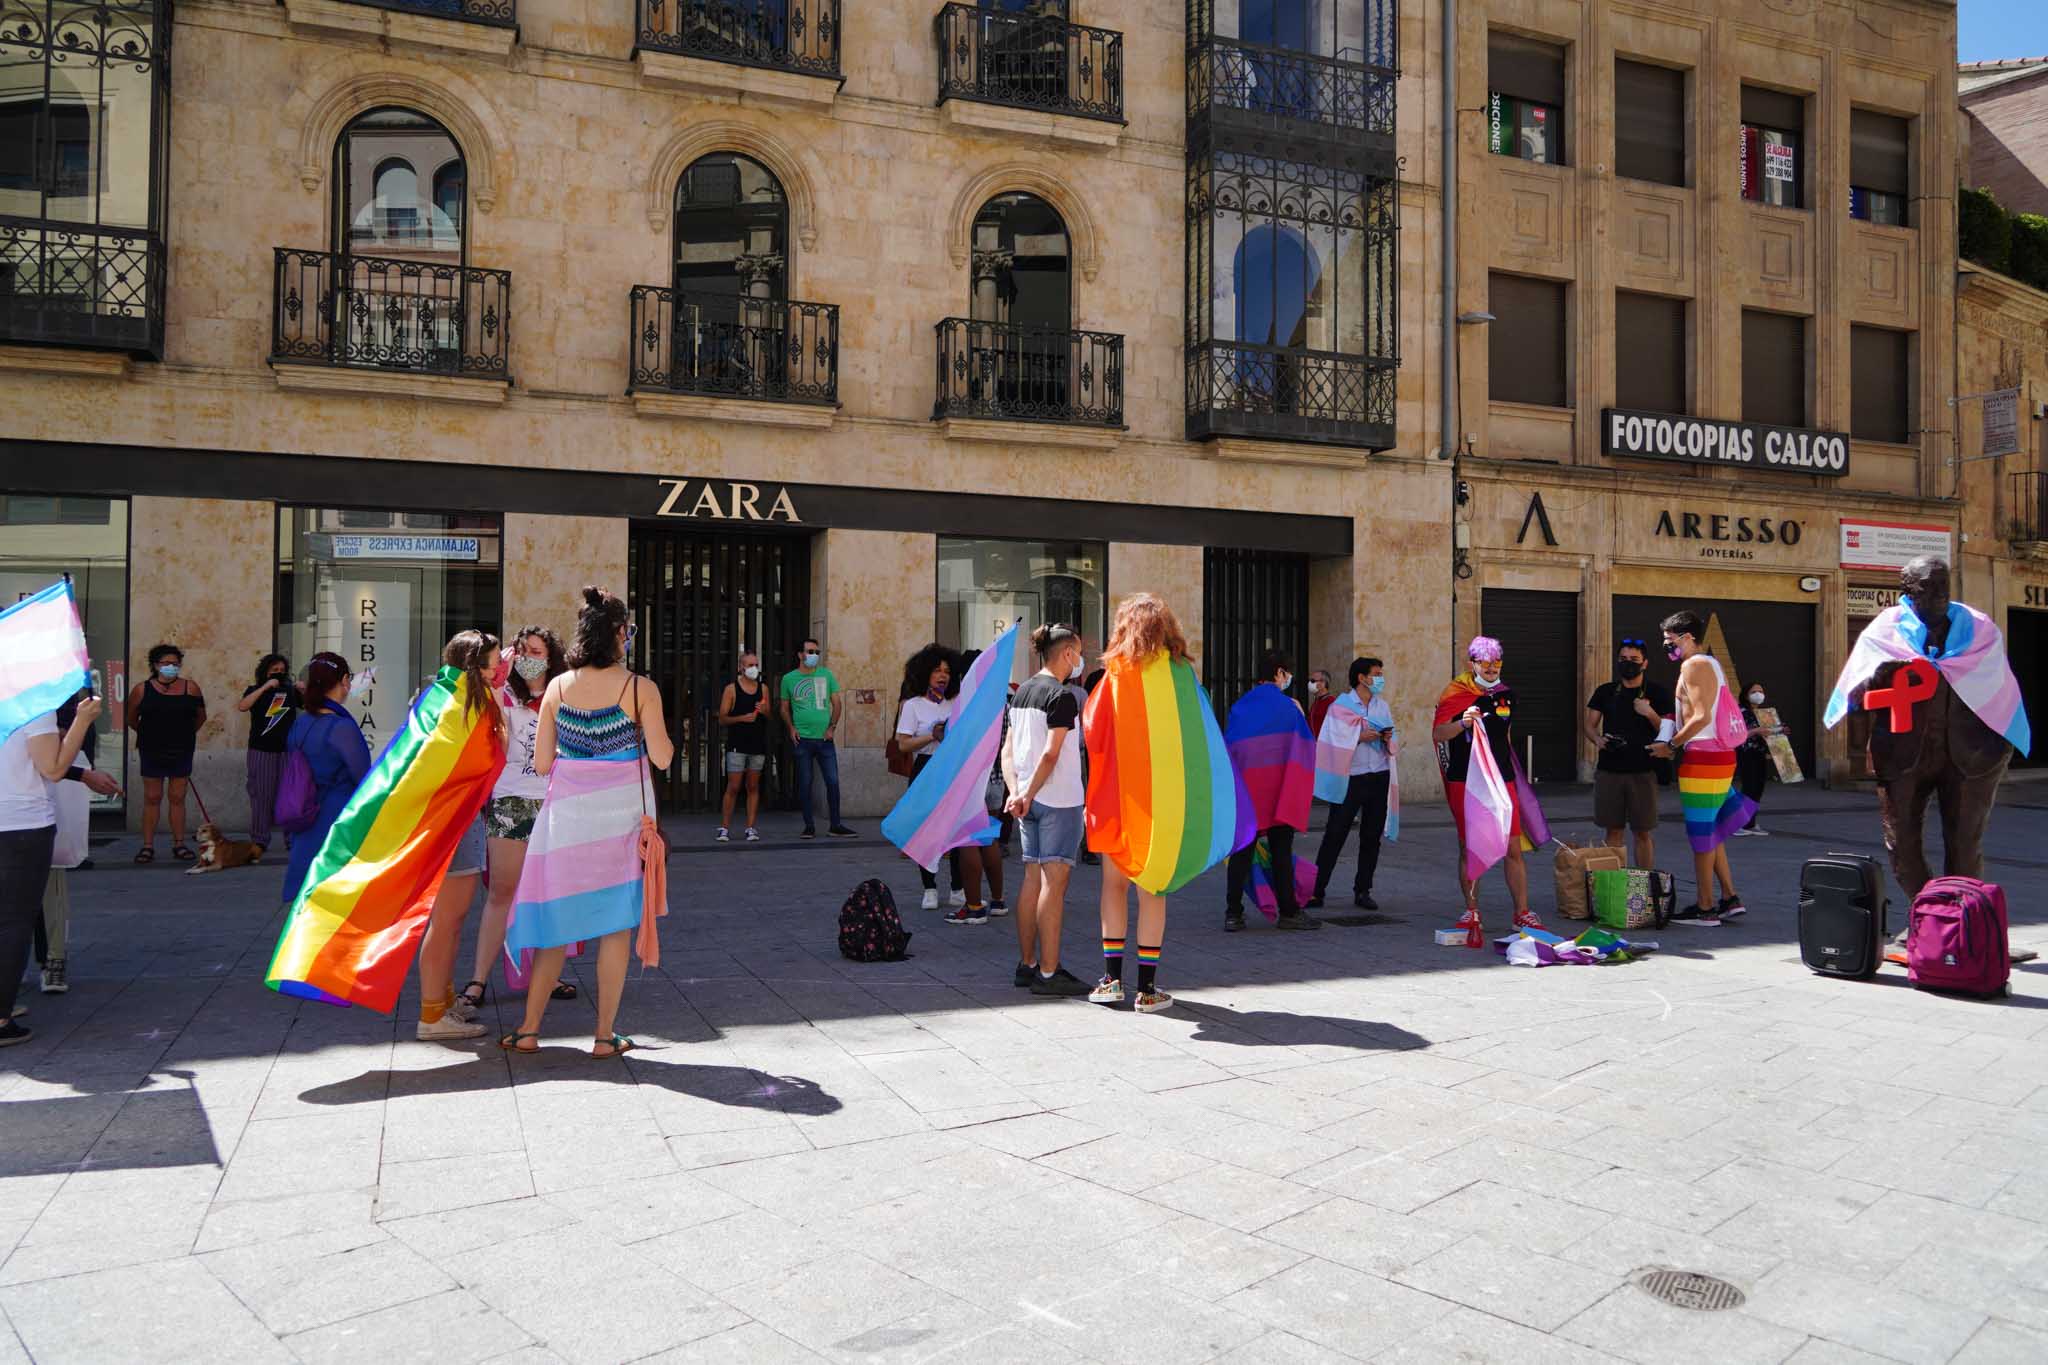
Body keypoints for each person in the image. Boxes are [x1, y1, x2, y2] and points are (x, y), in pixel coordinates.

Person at [503, 587, 675, 1058]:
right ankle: (603, 1036)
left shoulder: (558, 686)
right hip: (620, 823)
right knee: (616, 927)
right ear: (620, 634)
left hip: (566, 824)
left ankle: (530, 1029)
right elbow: (661, 757)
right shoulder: (640, 688)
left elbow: (541, 765)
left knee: (557, 924)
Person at [1827, 554, 2023, 902]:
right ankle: (1928, 916)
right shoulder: (1885, 630)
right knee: (1901, 845)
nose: (1936, 595)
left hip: (1970, 752)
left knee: (1965, 845)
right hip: (1904, 751)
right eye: (1926, 588)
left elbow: (1998, 685)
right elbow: (1856, 688)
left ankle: (1962, 921)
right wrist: (1879, 676)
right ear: (1907, 591)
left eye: (1942, 586)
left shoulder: (1978, 629)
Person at [1086, 594, 1220, 1014]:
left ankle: (1111, 980)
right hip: (1164, 804)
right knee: (1153, 891)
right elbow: (1202, 736)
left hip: (1119, 798)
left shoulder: (1114, 675)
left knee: (1113, 885)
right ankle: (1147, 989)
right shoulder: (1183, 675)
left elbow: (1092, 730)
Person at [458, 627, 573, 1016]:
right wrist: (498, 675)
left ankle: (547, 973)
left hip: (555, 804)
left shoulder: (563, 693)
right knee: (501, 893)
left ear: (550, 655)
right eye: (521, 650)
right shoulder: (502, 692)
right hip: (510, 801)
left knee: (548, 894)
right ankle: (478, 979)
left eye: (535, 651)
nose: (527, 657)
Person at [413, 631, 507, 1042]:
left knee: (450, 920)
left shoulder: (441, 697)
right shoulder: (463, 704)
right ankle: (432, 1015)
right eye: (490, 662)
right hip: (456, 820)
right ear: (473, 664)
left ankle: (443, 1002)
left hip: (453, 819)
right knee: (448, 920)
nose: (496, 669)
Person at [1, 692, 102, 1045]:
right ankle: (1, 1017)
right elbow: (54, 768)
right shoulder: (31, 705)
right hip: (21, 826)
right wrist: (83, 719)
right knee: (13, 922)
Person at [1431, 637, 1549, 937]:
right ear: (1473, 664)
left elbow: (1505, 738)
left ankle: (1522, 913)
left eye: (1497, 663)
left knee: (1512, 847)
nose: (1493, 668)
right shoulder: (1455, 692)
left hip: (1501, 778)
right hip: (1466, 780)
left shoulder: (1506, 694)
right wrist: (1463, 724)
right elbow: (1438, 734)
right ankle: (1471, 911)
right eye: (1486, 663)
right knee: (1469, 846)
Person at [1001, 625, 1092, 993]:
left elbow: (1007, 750)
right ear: (1068, 654)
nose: (1080, 661)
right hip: (1058, 800)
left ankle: (1028, 964)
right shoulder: (1063, 696)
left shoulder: (1021, 693)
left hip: (1028, 799)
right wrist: (1027, 792)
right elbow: (1051, 753)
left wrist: (1017, 793)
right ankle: (1050, 973)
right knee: (1053, 887)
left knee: (1031, 880)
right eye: (1079, 653)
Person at [1663, 610, 1751, 923]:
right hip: (1718, 755)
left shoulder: (1695, 664)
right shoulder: (1711, 663)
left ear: (1688, 637)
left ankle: (1705, 907)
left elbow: (1700, 716)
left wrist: (1671, 745)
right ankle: (1729, 897)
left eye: (1670, 639)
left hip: (1703, 758)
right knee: (1712, 831)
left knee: (1701, 836)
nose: (1667, 645)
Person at [1224, 649, 1318, 931]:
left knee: (1242, 852)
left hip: (1248, 793)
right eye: (1287, 672)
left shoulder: (1241, 706)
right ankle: (1288, 911)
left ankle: (1233, 913)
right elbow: (1305, 747)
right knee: (1281, 850)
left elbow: (1233, 748)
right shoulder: (1290, 707)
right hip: (1279, 792)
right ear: (1279, 673)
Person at [36, 688, 121, 995]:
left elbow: (58, 758)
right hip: (19, 812)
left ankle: (54, 960)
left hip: (37, 813)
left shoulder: (63, 696)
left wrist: (83, 774)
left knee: (50, 883)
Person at [280, 652, 371, 908]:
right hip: (337, 819)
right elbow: (365, 779)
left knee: (308, 900)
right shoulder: (340, 727)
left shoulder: (301, 723)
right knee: (336, 899)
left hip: (305, 814)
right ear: (343, 680)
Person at [1309, 656, 1393, 913]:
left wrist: (1388, 737)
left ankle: (1363, 889)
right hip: (1351, 776)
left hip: (1378, 773)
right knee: (1335, 833)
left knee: (1371, 836)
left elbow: (1393, 735)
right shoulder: (1342, 705)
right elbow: (1332, 738)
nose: (1380, 679)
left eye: (1380, 674)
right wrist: (1358, 737)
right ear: (1361, 677)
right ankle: (1316, 890)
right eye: (1375, 674)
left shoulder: (1382, 706)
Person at [1583, 638, 1674, 867]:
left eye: (1634, 660)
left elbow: (1668, 731)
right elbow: (1588, 725)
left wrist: (1649, 712)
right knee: (1613, 832)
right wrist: (1598, 740)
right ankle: (1613, 889)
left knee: (1642, 833)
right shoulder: (1605, 692)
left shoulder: (1658, 693)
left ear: (1645, 663)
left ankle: (1643, 889)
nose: (1628, 664)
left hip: (1643, 771)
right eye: (1623, 659)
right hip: (1609, 771)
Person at [894, 643, 966, 914]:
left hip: (952, 768)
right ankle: (930, 888)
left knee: (956, 832)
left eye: (947, 671)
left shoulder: (957, 702)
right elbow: (902, 744)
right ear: (925, 673)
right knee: (927, 832)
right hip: (925, 767)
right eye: (937, 670)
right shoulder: (913, 706)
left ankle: (958, 888)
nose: (942, 675)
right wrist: (931, 736)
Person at [128, 643, 205, 863]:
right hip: (152, 750)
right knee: (152, 797)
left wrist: (186, 736)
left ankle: (179, 844)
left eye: (175, 663)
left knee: (178, 797)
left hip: (181, 750)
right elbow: (131, 718)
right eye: (166, 663)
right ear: (155, 665)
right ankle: (147, 846)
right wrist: (149, 735)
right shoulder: (142, 689)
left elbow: (201, 716)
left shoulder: (191, 688)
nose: (171, 667)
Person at [780, 637, 854, 839]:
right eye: (810, 652)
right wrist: (791, 727)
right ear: (800, 655)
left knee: (832, 781)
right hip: (802, 739)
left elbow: (837, 704)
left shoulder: (826, 675)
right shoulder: (788, 679)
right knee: (805, 783)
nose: (814, 656)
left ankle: (835, 824)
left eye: (816, 652)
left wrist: (832, 727)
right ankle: (809, 825)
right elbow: (784, 707)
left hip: (825, 740)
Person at [954, 647, 1007, 917]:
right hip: (996, 781)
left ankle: (973, 905)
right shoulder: (1001, 702)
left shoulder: (967, 702)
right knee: (988, 838)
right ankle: (997, 900)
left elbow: (959, 744)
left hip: (971, 781)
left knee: (968, 841)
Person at [236, 653, 300, 859]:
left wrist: (303, 689)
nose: (279, 674)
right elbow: (243, 706)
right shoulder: (255, 690)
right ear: (264, 672)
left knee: (289, 797)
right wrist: (265, 687)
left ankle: (292, 840)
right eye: (274, 671)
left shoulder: (290, 692)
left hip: (286, 752)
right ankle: (259, 841)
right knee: (261, 797)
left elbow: (311, 705)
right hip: (261, 751)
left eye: (282, 671)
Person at [716, 649, 770, 843]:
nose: (754, 668)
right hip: (737, 745)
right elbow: (722, 718)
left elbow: (769, 714)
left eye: (756, 665)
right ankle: (724, 827)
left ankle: (751, 827)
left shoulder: (763, 689)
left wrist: (764, 711)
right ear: (741, 668)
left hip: (757, 745)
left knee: (753, 786)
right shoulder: (731, 689)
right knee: (733, 786)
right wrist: (742, 718)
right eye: (750, 665)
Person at [1734, 680, 1779, 836]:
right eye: (1754, 692)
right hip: (1747, 753)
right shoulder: (1740, 712)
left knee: (1757, 789)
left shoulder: (1763, 713)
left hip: (1760, 753)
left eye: (1760, 691)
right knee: (1749, 788)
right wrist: (1756, 731)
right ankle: (1737, 824)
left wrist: (1780, 732)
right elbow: (1737, 734)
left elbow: (1769, 732)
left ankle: (1750, 823)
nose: (1758, 695)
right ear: (1746, 695)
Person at [1306, 668, 1335, 741]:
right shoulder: (1316, 702)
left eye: (1312, 681)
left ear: (1323, 683)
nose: (1310, 683)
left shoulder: (1332, 702)